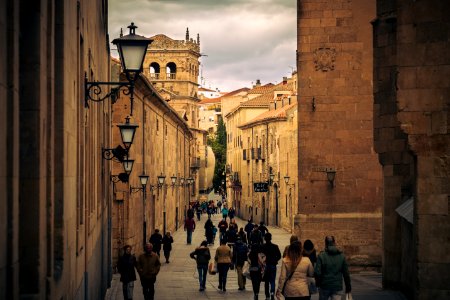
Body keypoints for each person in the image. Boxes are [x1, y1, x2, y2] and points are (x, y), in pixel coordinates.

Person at [261, 232, 281, 300]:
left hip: (265, 266)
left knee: (266, 281)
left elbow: (260, 256)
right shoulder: (275, 246)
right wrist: (275, 260)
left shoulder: (262, 247)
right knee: (272, 280)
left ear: (265, 239)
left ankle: (267, 296)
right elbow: (279, 255)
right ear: (271, 238)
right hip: (273, 265)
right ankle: (272, 293)